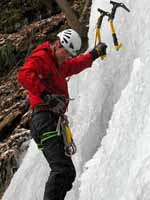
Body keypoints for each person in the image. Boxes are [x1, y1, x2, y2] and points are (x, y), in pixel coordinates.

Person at [18, 28, 107, 200]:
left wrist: (93, 55)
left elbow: (74, 65)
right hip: (44, 120)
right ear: (58, 45)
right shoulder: (42, 57)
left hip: (51, 121)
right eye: (65, 53)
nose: (66, 58)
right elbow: (24, 75)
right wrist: (46, 96)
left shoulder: (58, 64)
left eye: (68, 55)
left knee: (68, 173)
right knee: (61, 170)